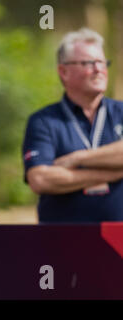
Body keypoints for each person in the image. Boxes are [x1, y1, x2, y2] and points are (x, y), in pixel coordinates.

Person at [23, 28, 123, 223]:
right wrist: (114, 171)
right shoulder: (43, 121)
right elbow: (40, 179)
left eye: (102, 62)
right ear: (63, 71)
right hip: (63, 242)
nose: (98, 69)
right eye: (88, 63)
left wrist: (77, 159)